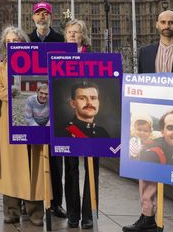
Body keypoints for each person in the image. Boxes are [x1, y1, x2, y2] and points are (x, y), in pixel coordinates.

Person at [123, 10, 173, 232]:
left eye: (171, 22)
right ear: (156, 25)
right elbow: (141, 85)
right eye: (163, 22)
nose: (167, 25)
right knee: (146, 166)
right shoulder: (145, 53)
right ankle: (147, 217)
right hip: (156, 116)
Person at [0, 26, 50, 226]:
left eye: (16, 41)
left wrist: (18, 94)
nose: (13, 44)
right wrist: (17, 95)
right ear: (5, 44)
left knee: (34, 165)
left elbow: (40, 86)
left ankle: (35, 212)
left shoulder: (34, 64)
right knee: (11, 167)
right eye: (9, 41)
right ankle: (11, 211)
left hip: (32, 120)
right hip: (8, 123)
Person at [27, 1, 67, 219]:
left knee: (55, 159)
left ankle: (56, 202)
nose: (42, 18)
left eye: (45, 14)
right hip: (33, 102)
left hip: (55, 105)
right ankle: (30, 201)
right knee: (32, 158)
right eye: (38, 14)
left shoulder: (60, 39)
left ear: (51, 17)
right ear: (33, 18)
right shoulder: (26, 40)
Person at [62, 18, 99, 229]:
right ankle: (73, 214)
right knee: (71, 168)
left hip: (91, 119)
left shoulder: (92, 57)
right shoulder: (59, 57)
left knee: (92, 167)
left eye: (76, 32)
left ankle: (88, 214)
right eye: (69, 32)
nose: (73, 35)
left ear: (83, 36)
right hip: (69, 119)